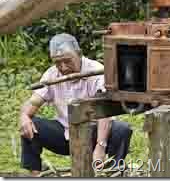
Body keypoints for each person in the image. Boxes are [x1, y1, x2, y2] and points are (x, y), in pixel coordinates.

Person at [19, 33, 132, 176]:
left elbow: (106, 112)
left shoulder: (96, 70)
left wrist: (100, 146)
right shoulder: (51, 75)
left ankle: (113, 172)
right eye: (58, 63)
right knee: (30, 124)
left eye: (68, 61)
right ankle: (36, 175)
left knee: (122, 130)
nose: (64, 67)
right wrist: (24, 116)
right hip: (65, 133)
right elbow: (32, 103)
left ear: (79, 54)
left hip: (94, 133)